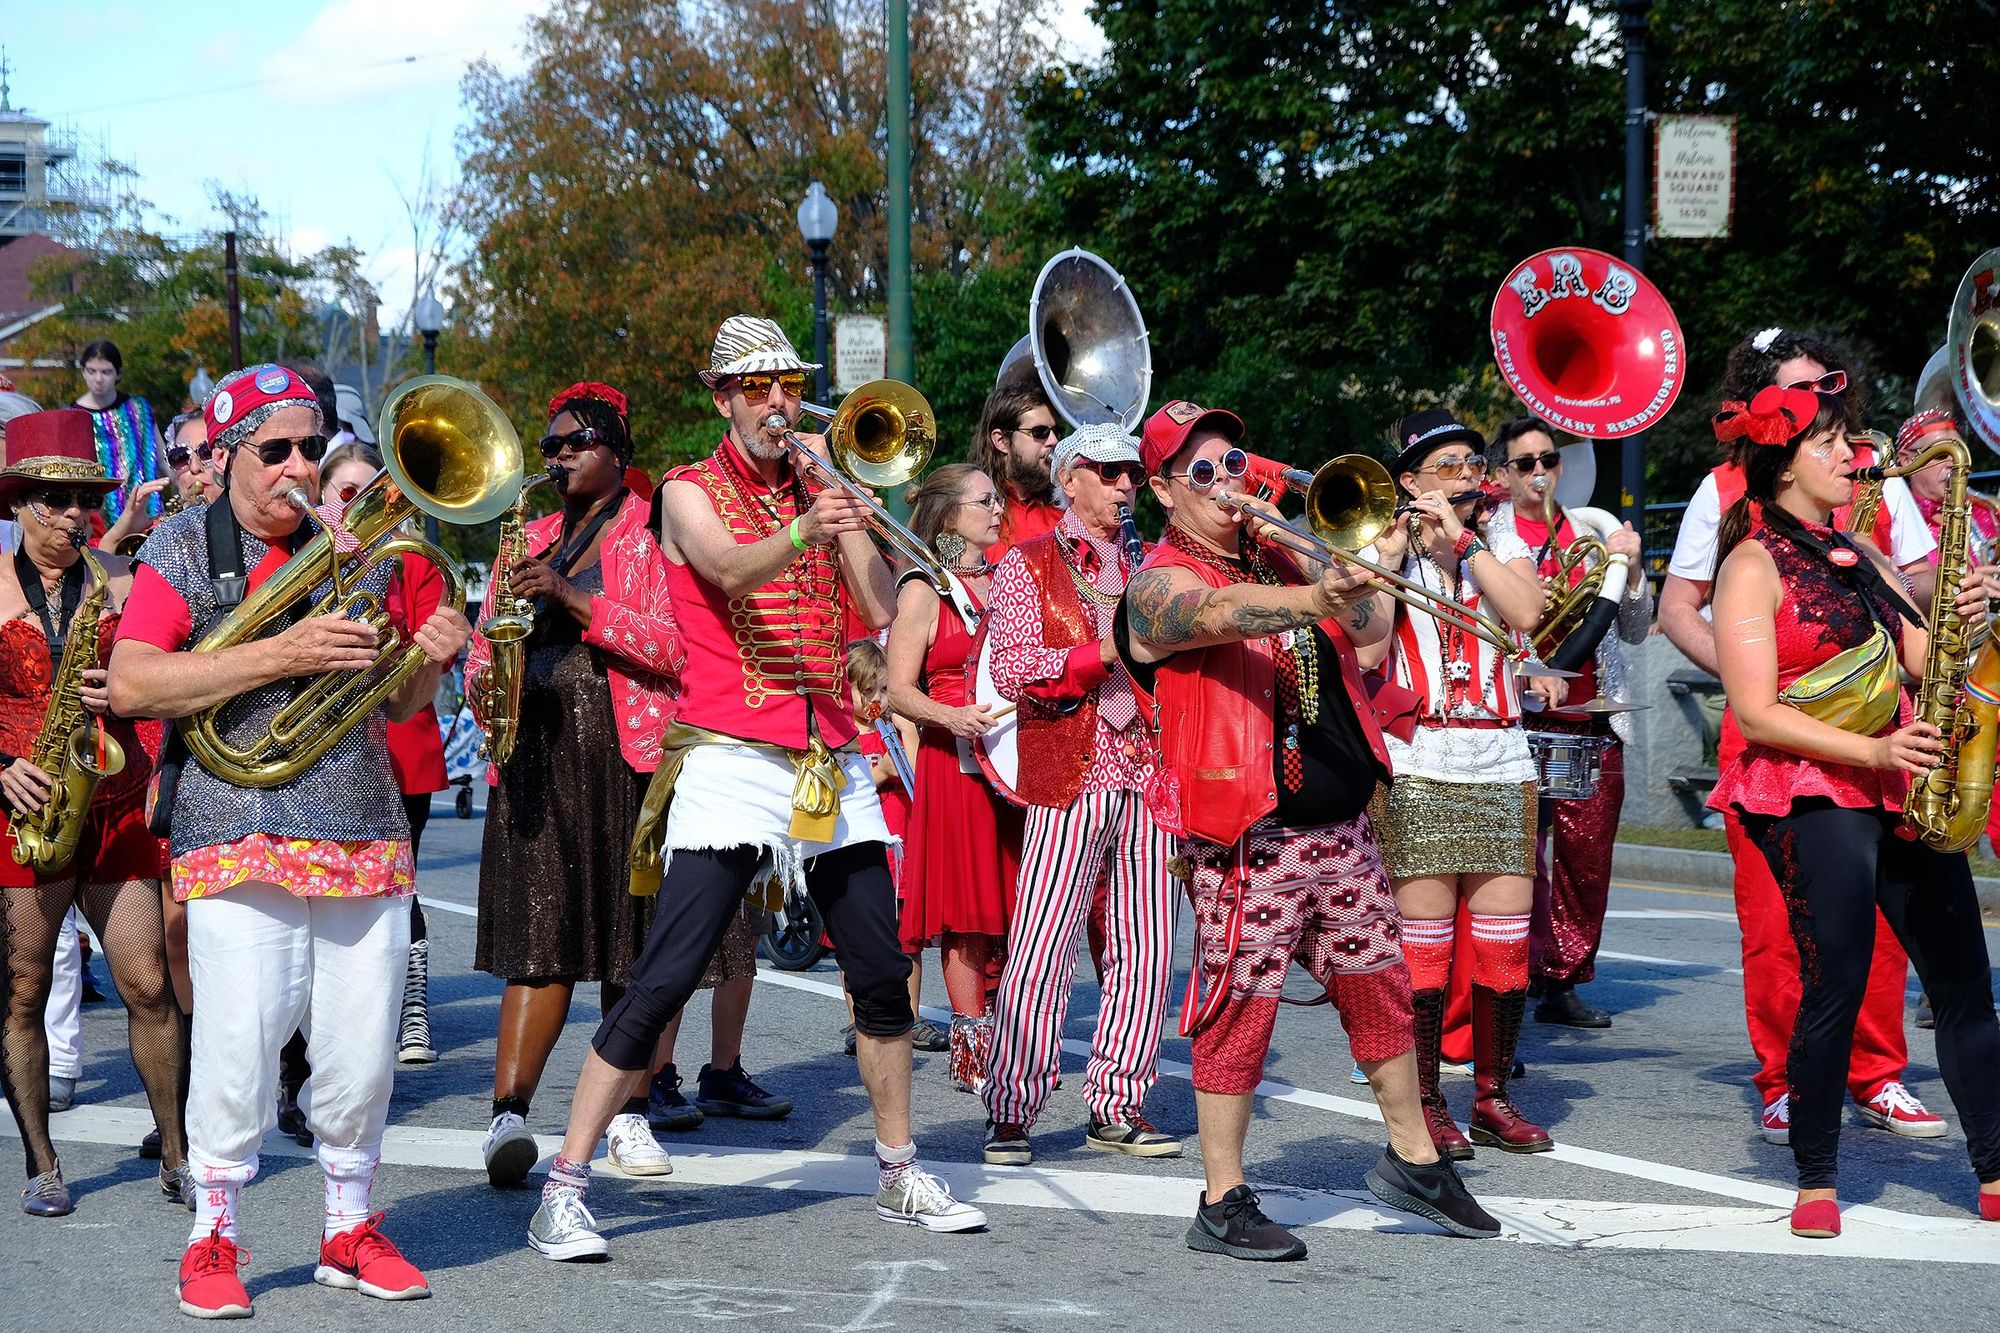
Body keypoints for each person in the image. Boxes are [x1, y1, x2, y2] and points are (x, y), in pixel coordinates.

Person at [526, 317, 983, 1262]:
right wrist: (803, 524)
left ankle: (897, 1168)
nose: (782, 402)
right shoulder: (688, 490)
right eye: (762, 387)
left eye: (790, 384)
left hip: (831, 755)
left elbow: (883, 608)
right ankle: (564, 1184)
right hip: (729, 755)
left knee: (881, 974)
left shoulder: (823, 484)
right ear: (724, 397)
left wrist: (845, 504)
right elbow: (728, 570)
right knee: (663, 976)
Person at [108, 364, 471, 1317]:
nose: (300, 467)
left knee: (360, 1047)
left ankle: (348, 1225)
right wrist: (280, 652)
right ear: (228, 456)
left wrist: (428, 661)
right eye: (276, 451)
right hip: (239, 824)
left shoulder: (363, 549)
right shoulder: (184, 545)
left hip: (361, 827)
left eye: (313, 446)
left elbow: (393, 699)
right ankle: (214, 1233)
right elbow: (136, 680)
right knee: (240, 1038)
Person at [1122, 399, 1500, 1259]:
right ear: (1164, 489)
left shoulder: (1283, 550)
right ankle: (1222, 1199)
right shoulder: (1155, 577)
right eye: (1204, 471)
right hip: (1246, 835)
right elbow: (1208, 617)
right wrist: (1308, 590)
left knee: (1382, 988)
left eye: (1235, 461)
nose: (1228, 483)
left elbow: (1369, 632)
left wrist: (1321, 548)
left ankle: (1414, 1158)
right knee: (1239, 1011)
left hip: (1341, 824)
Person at [1704, 383, 2000, 1235]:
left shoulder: (1861, 555)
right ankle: (1817, 1180)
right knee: (1835, 974)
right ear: (1781, 461)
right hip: (1813, 783)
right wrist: (1873, 751)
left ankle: (1995, 1166)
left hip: (1899, 775)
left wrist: (1965, 623)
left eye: (1853, 441)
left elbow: (1920, 659)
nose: (1853, 456)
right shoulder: (1750, 563)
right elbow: (1757, 712)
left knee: (1964, 981)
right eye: (1832, 442)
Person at [1658, 328, 1943, 1144]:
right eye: (1803, 389)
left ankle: (1876, 1074)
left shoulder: (1870, 481)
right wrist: (1761, 677)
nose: (1828, 405)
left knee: (1884, 925)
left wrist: (1951, 598)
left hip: (1881, 725)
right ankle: (1786, 1080)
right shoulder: (1724, 489)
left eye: (1830, 389)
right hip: (1776, 739)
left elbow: (1917, 581)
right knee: (1778, 924)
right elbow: (1680, 607)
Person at [469, 381, 686, 1187]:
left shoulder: (653, 532)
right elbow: (481, 654)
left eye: (574, 443)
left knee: (635, 951)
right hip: (537, 760)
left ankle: (630, 1115)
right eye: (550, 444)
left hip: (630, 760)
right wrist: (484, 679)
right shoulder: (526, 535)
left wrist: (570, 596)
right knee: (540, 945)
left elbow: (675, 649)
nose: (557, 456)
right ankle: (508, 1119)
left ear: (616, 451)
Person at [0, 407, 188, 1218]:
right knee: (23, 989)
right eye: (59, 499)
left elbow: (169, 674)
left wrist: (132, 701)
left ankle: (178, 1152)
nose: (80, 514)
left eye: (87, 499)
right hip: (24, 806)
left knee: (147, 981)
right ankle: (43, 1161)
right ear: (20, 502)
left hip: (112, 799)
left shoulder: (120, 575)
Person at [980, 421, 1180, 1166]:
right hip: (1072, 763)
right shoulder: (1026, 564)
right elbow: (1015, 669)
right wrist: (1106, 652)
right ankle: (1011, 1106)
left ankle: (1118, 1102)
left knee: (1150, 945)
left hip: (1151, 769)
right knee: (1042, 944)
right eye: (1110, 471)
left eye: (1133, 472)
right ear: (1070, 478)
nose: (1128, 484)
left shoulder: (1159, 564)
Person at [1355, 410, 1552, 1159]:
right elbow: (1369, 647)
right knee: (1427, 951)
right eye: (1450, 466)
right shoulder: (1391, 550)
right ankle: (1430, 1099)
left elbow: (1530, 612)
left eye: (1474, 462)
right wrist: (1394, 549)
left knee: (1505, 948)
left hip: (1501, 755)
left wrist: (1466, 545)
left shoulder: (1499, 540)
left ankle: (1494, 1096)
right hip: (1422, 756)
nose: (1469, 475)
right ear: (1409, 481)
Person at [1486, 419, 1651, 1027]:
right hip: (1514, 720)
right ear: (1503, 475)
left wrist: (1631, 572)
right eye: (1524, 463)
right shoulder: (1490, 535)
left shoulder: (1593, 531)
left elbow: (1633, 629)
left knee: (1586, 858)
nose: (1538, 474)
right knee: (1513, 856)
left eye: (1548, 461)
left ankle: (1563, 977)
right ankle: (1515, 966)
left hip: (1591, 716)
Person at [886, 464, 1024, 1092]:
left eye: (998, 500)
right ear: (948, 515)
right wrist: (953, 716)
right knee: (968, 907)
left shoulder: (1012, 580)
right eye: (984, 501)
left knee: (1018, 900)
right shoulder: (924, 587)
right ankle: (973, 1040)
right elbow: (895, 690)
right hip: (955, 759)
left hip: (1019, 757)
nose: (998, 510)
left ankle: (1011, 1028)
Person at [318, 441, 451, 1066]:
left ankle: (412, 1006)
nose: (360, 506)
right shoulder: (304, 558)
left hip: (399, 740)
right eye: (346, 495)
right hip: (321, 739)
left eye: (374, 494)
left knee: (401, 886)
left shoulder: (412, 561)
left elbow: (430, 652)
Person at [73, 339, 165, 526]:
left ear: (118, 374)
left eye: (106, 372)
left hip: (147, 514)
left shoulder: (139, 409)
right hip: (98, 520)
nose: (98, 379)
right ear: (83, 371)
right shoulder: (74, 416)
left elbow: (162, 458)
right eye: (92, 371)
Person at [975, 377, 1062, 561]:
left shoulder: (1068, 507)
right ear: (1001, 441)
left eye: (1057, 431)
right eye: (1040, 432)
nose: (1053, 440)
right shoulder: (971, 513)